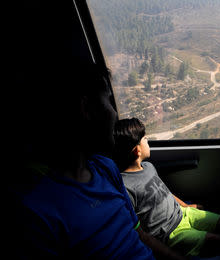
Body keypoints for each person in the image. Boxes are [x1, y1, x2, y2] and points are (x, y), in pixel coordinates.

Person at [8, 63, 159, 259]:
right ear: (86, 108)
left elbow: (140, 236)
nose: (114, 114)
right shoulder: (36, 211)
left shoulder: (106, 168)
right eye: (108, 101)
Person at [113, 118, 220, 257]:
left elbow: (165, 192)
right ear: (137, 151)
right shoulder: (126, 187)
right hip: (171, 233)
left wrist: (186, 206)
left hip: (183, 213)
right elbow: (141, 234)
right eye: (145, 139)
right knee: (217, 241)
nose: (148, 141)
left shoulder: (148, 167)